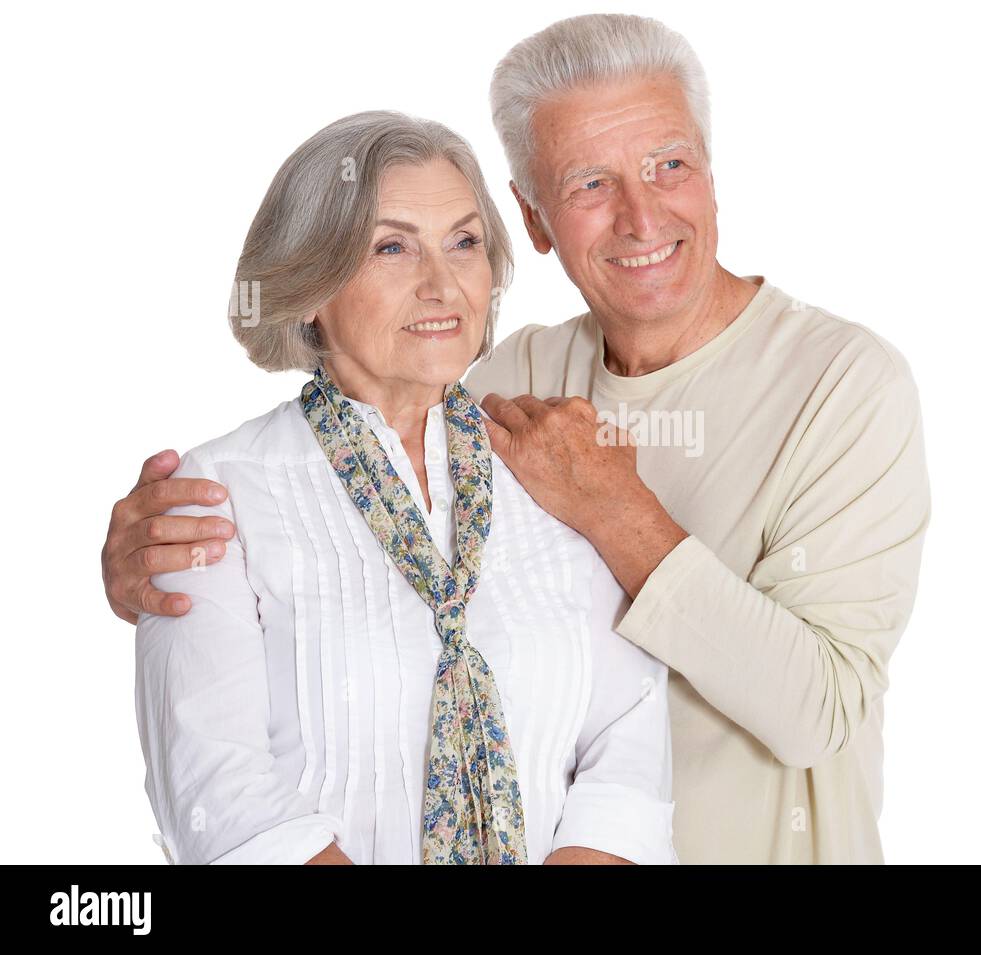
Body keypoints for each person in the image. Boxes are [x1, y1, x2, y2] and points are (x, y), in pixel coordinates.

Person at [105, 14, 931, 864]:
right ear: (534, 222)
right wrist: (147, 566)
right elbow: (226, 758)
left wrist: (619, 512)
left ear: (712, 177)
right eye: (590, 185)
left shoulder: (845, 384)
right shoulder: (507, 390)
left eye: (669, 165)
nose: (642, 217)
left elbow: (815, 710)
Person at [131, 109, 676, 865]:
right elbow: (218, 790)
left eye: (465, 243)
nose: (441, 283)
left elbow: (630, 751)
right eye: (393, 247)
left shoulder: (554, 462)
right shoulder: (214, 494)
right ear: (309, 286)